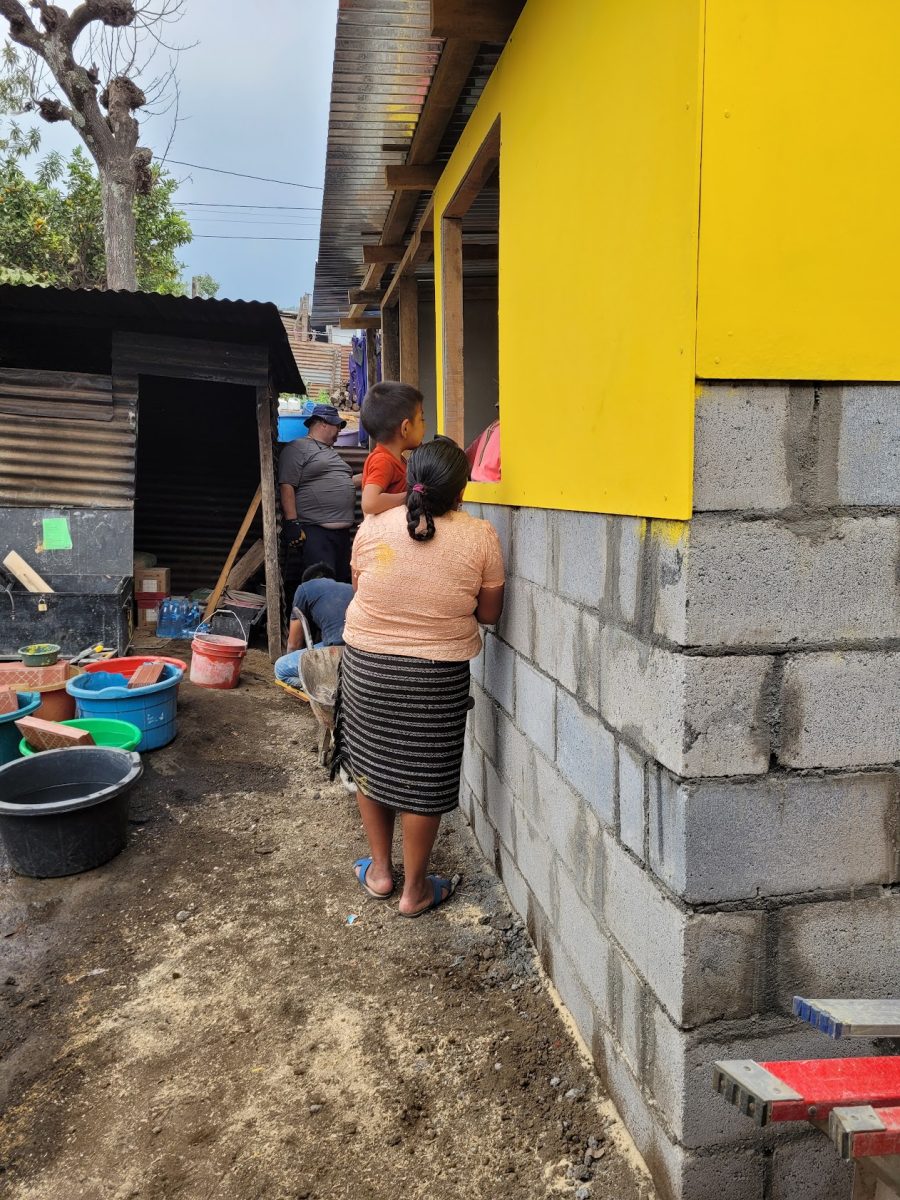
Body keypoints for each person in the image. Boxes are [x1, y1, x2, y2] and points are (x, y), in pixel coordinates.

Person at [332, 438, 505, 918]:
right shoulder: (480, 536)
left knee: (373, 760)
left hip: (366, 666)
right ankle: (415, 893)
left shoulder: (373, 528)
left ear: (411, 483)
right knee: (424, 777)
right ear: (461, 490)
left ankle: (381, 872)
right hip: (437, 674)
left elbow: (363, 590)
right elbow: (489, 614)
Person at [278, 403, 358, 585]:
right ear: (322, 423)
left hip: (342, 535)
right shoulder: (298, 448)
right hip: (316, 532)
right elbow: (287, 485)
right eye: (337, 425)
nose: (339, 431)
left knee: (341, 585)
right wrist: (292, 523)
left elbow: (343, 482)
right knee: (321, 585)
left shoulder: (331, 453)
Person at [273, 562, 354, 691]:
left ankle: (324, 687)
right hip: (360, 655)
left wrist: (289, 660)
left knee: (281, 669)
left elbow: (294, 644)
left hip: (337, 653)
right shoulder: (351, 588)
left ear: (308, 581)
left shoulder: (304, 588)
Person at [359, 381, 426, 516]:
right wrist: (413, 495)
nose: (425, 425)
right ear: (405, 428)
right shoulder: (383, 461)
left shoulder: (397, 460)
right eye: (421, 419)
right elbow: (370, 503)